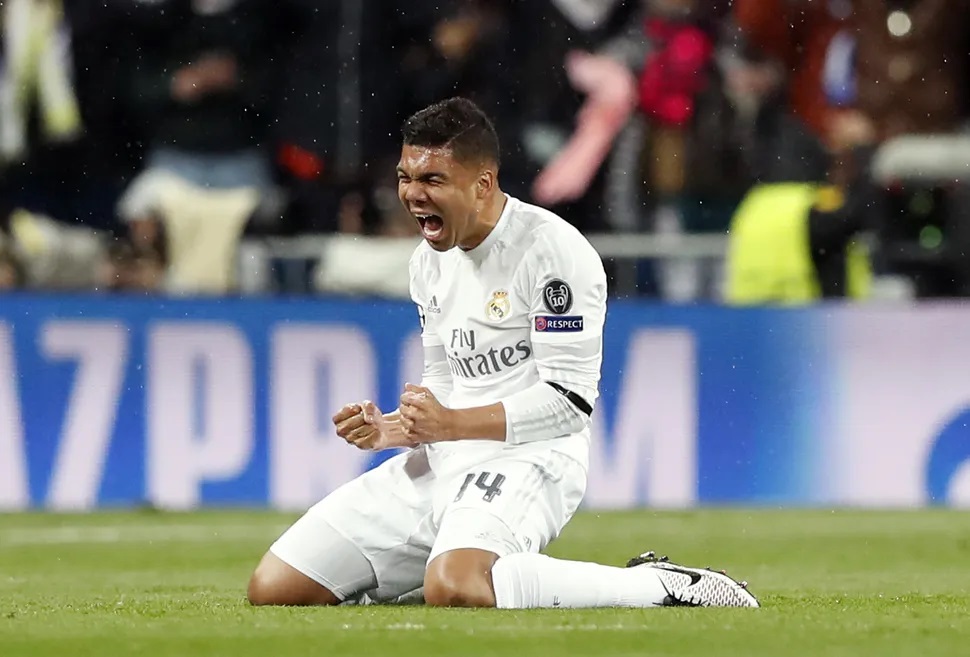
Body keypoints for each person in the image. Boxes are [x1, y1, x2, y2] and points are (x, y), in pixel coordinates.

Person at [247, 97, 759, 609]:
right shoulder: (428, 262)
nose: (411, 195)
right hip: (446, 456)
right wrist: (393, 429)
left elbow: (569, 402)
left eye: (432, 181)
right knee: (277, 588)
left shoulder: (552, 252)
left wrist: (449, 425)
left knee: (456, 586)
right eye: (406, 177)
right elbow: (445, 380)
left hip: (532, 457)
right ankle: (436, 583)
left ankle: (662, 586)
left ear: (483, 184)